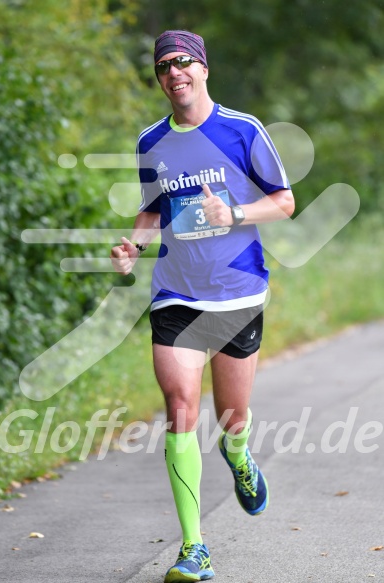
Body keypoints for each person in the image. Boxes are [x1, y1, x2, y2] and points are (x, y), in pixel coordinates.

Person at [111, 30, 295, 583]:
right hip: (176, 294)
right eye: (164, 66)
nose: (174, 73)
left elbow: (284, 203)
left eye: (183, 62)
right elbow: (151, 209)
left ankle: (238, 457)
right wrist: (132, 247)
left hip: (238, 293)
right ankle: (195, 548)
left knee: (231, 419)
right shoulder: (151, 142)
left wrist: (234, 216)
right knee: (180, 409)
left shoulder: (243, 130)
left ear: (204, 68)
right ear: (160, 79)